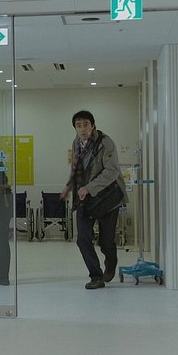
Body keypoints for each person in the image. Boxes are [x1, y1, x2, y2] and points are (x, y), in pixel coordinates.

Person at [60, 110, 128, 290]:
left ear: (93, 125)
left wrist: (89, 187)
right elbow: (75, 169)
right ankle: (96, 276)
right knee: (83, 239)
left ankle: (111, 262)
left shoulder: (105, 143)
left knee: (106, 241)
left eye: (86, 125)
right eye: (78, 126)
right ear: (75, 128)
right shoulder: (76, 143)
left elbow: (112, 171)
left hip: (107, 198)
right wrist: (69, 186)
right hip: (85, 199)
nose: (82, 129)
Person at [0, 149, 12, 285]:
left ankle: (2, 277)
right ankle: (2, 277)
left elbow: (0, 180)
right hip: (1, 199)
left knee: (1, 240)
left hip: (1, 200)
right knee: (0, 240)